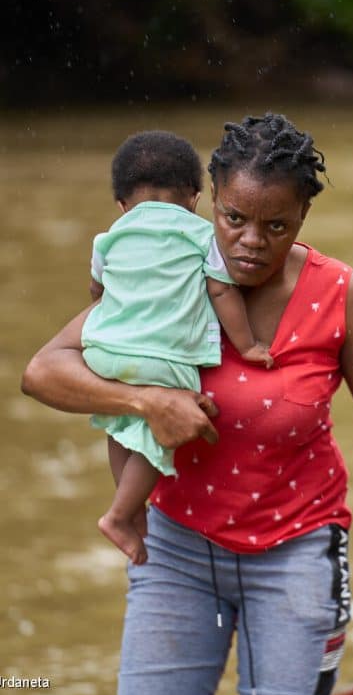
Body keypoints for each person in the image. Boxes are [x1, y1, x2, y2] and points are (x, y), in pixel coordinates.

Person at [21, 112, 353, 695]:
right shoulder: (168, 273)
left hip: (297, 554)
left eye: (275, 225)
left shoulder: (340, 297)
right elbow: (43, 372)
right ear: (207, 203)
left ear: (302, 218)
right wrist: (146, 400)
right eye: (234, 219)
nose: (250, 242)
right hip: (174, 553)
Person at [85, 130, 274, 567]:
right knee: (159, 430)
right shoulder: (198, 234)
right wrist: (246, 346)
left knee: (122, 423)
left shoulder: (108, 237)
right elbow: (222, 292)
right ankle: (119, 515)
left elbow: (98, 289)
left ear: (121, 205)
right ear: (194, 197)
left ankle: (129, 508)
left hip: (103, 351)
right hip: (164, 360)